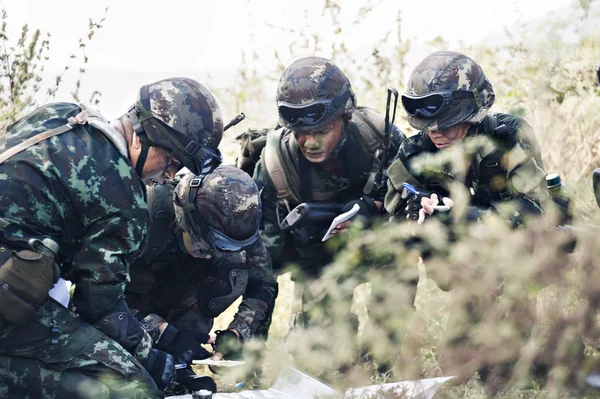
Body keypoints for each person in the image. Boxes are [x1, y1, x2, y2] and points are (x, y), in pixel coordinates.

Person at [0, 77, 223, 398]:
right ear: (143, 139)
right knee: (132, 388)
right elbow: (100, 308)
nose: (170, 176)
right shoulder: (124, 198)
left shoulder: (63, 115)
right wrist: (157, 362)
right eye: (172, 161)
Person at [126, 166, 278, 392]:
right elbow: (97, 302)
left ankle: (178, 366)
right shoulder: (139, 218)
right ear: (184, 222)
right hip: (127, 325)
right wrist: (161, 331)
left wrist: (237, 332)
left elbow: (263, 284)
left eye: (229, 247)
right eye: (214, 246)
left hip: (183, 321)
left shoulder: (238, 225)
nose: (217, 253)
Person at [253, 56, 406, 278]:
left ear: (347, 117)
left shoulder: (379, 137)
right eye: (301, 133)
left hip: (381, 245)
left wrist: (373, 207)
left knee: (393, 308)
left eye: (323, 131)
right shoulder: (275, 165)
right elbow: (265, 257)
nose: (311, 143)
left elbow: (413, 198)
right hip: (318, 264)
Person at [385, 50, 548, 226]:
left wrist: (465, 217)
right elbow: (391, 225)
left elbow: (537, 211)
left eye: (445, 126)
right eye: (427, 128)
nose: (434, 134)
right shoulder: (414, 152)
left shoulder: (510, 137)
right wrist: (416, 211)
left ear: (470, 118)